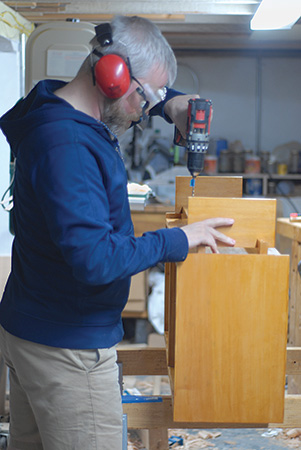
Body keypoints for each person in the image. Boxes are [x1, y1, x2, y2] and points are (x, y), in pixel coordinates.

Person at [0, 15, 235, 450]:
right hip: (68, 350)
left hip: (32, 329)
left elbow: (135, 98)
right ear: (112, 78)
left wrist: (172, 103)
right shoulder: (68, 145)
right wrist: (178, 240)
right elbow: (96, 260)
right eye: (146, 97)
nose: (146, 111)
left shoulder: (47, 104)